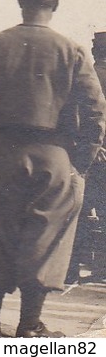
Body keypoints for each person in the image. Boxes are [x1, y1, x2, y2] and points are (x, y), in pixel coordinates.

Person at [0, 0, 106, 338]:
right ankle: (29, 325)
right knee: (47, 237)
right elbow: (94, 110)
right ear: (53, 5)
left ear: (20, 2)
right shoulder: (71, 50)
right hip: (53, 153)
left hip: (2, 151)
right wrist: (82, 161)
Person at [74, 33, 106, 283]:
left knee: (79, 211)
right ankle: (101, 268)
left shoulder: (87, 75)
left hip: (87, 154)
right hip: (100, 154)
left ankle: (71, 267)